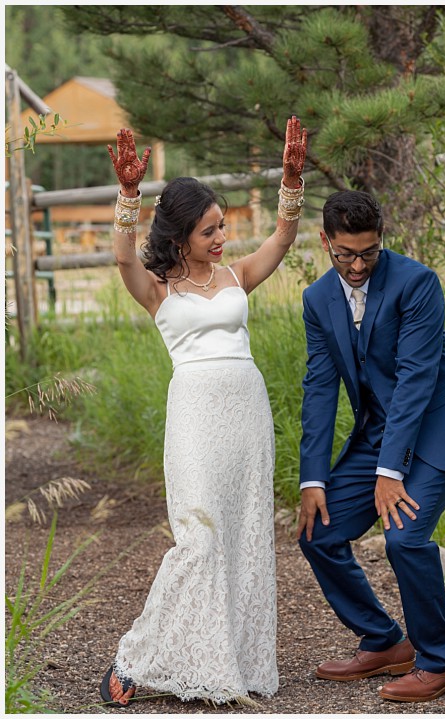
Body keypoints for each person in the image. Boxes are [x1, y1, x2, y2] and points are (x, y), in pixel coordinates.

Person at [98, 117, 308, 707]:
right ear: (180, 236)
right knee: (197, 539)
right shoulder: (158, 288)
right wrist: (129, 196)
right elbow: (121, 260)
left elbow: (283, 240)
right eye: (209, 230)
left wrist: (291, 180)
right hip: (193, 413)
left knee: (242, 534)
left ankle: (227, 662)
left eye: (223, 226)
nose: (221, 237)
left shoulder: (236, 275)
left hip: (246, 411)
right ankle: (135, 655)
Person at [296, 190, 445, 703]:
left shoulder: (417, 283)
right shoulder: (316, 299)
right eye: (346, 254)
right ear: (326, 241)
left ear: (382, 241)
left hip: (438, 429)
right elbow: (320, 389)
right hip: (380, 434)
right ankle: (384, 641)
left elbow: (418, 378)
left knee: (404, 538)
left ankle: (440, 661)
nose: (357, 265)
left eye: (369, 253)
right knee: (318, 532)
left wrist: (389, 471)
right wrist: (314, 479)